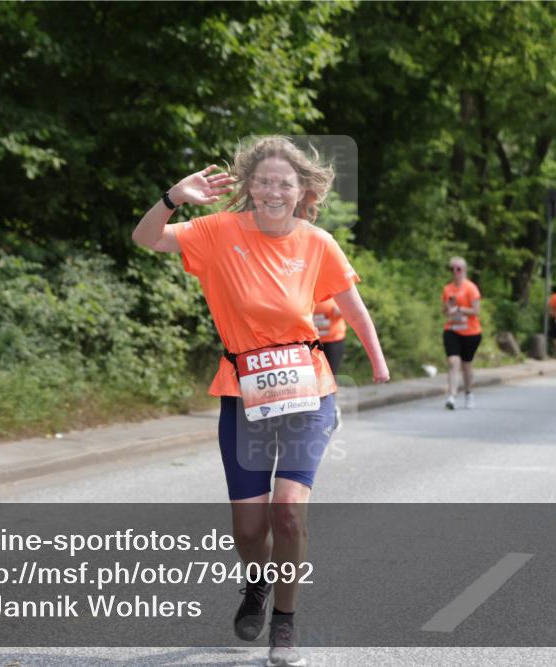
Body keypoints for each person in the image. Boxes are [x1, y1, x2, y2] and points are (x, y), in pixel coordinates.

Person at [132, 136, 390, 667]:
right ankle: (257, 584)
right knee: (249, 529)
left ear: (302, 192)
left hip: (307, 387)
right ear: (249, 187)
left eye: (285, 184)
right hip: (242, 391)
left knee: (288, 512)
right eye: (265, 181)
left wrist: (379, 363)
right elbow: (145, 238)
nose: (274, 191)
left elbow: (355, 310)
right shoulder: (216, 232)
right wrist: (173, 197)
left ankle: (286, 624)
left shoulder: (318, 243)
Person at [442, 256, 481, 409]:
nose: (455, 272)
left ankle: (469, 393)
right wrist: (448, 307)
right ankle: (451, 396)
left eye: (458, 269)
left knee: (466, 365)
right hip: (452, 330)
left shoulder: (471, 288)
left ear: (464, 270)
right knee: (453, 362)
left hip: (471, 332)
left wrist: (459, 309)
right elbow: (444, 311)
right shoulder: (447, 289)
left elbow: (476, 310)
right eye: (452, 269)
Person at [313, 298, 346, 431]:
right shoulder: (304, 286)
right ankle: (318, 412)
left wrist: (342, 310)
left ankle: (332, 411)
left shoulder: (334, 288)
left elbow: (352, 309)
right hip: (312, 341)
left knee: (331, 377)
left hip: (333, 339)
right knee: (313, 379)